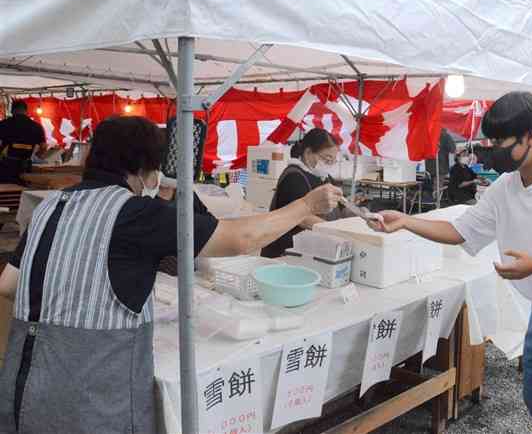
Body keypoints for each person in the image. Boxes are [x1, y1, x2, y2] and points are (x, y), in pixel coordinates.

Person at [0, 116, 341, 434]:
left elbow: (9, 284)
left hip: (25, 387)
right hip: (94, 402)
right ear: (146, 169)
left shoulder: (49, 206)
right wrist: (306, 206)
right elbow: (241, 239)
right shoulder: (135, 212)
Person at [369, 92, 532, 434]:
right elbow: (460, 230)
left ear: (531, 136)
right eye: (492, 139)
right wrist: (406, 222)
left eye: (502, 140)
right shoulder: (506, 187)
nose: (494, 148)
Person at [262, 128, 342, 258]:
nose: (329, 164)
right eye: (327, 159)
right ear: (308, 152)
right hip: (284, 252)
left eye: (332, 161)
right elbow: (302, 218)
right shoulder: (294, 176)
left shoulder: (324, 177)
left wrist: (364, 215)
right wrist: (336, 231)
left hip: (307, 249)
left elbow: (341, 204)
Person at [0, 101, 47, 183]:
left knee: (8, 190)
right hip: (26, 165)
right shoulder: (36, 126)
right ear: (26, 111)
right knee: (23, 190)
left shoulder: (4, 124)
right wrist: (37, 156)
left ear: (12, 110)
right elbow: (43, 147)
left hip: (7, 166)